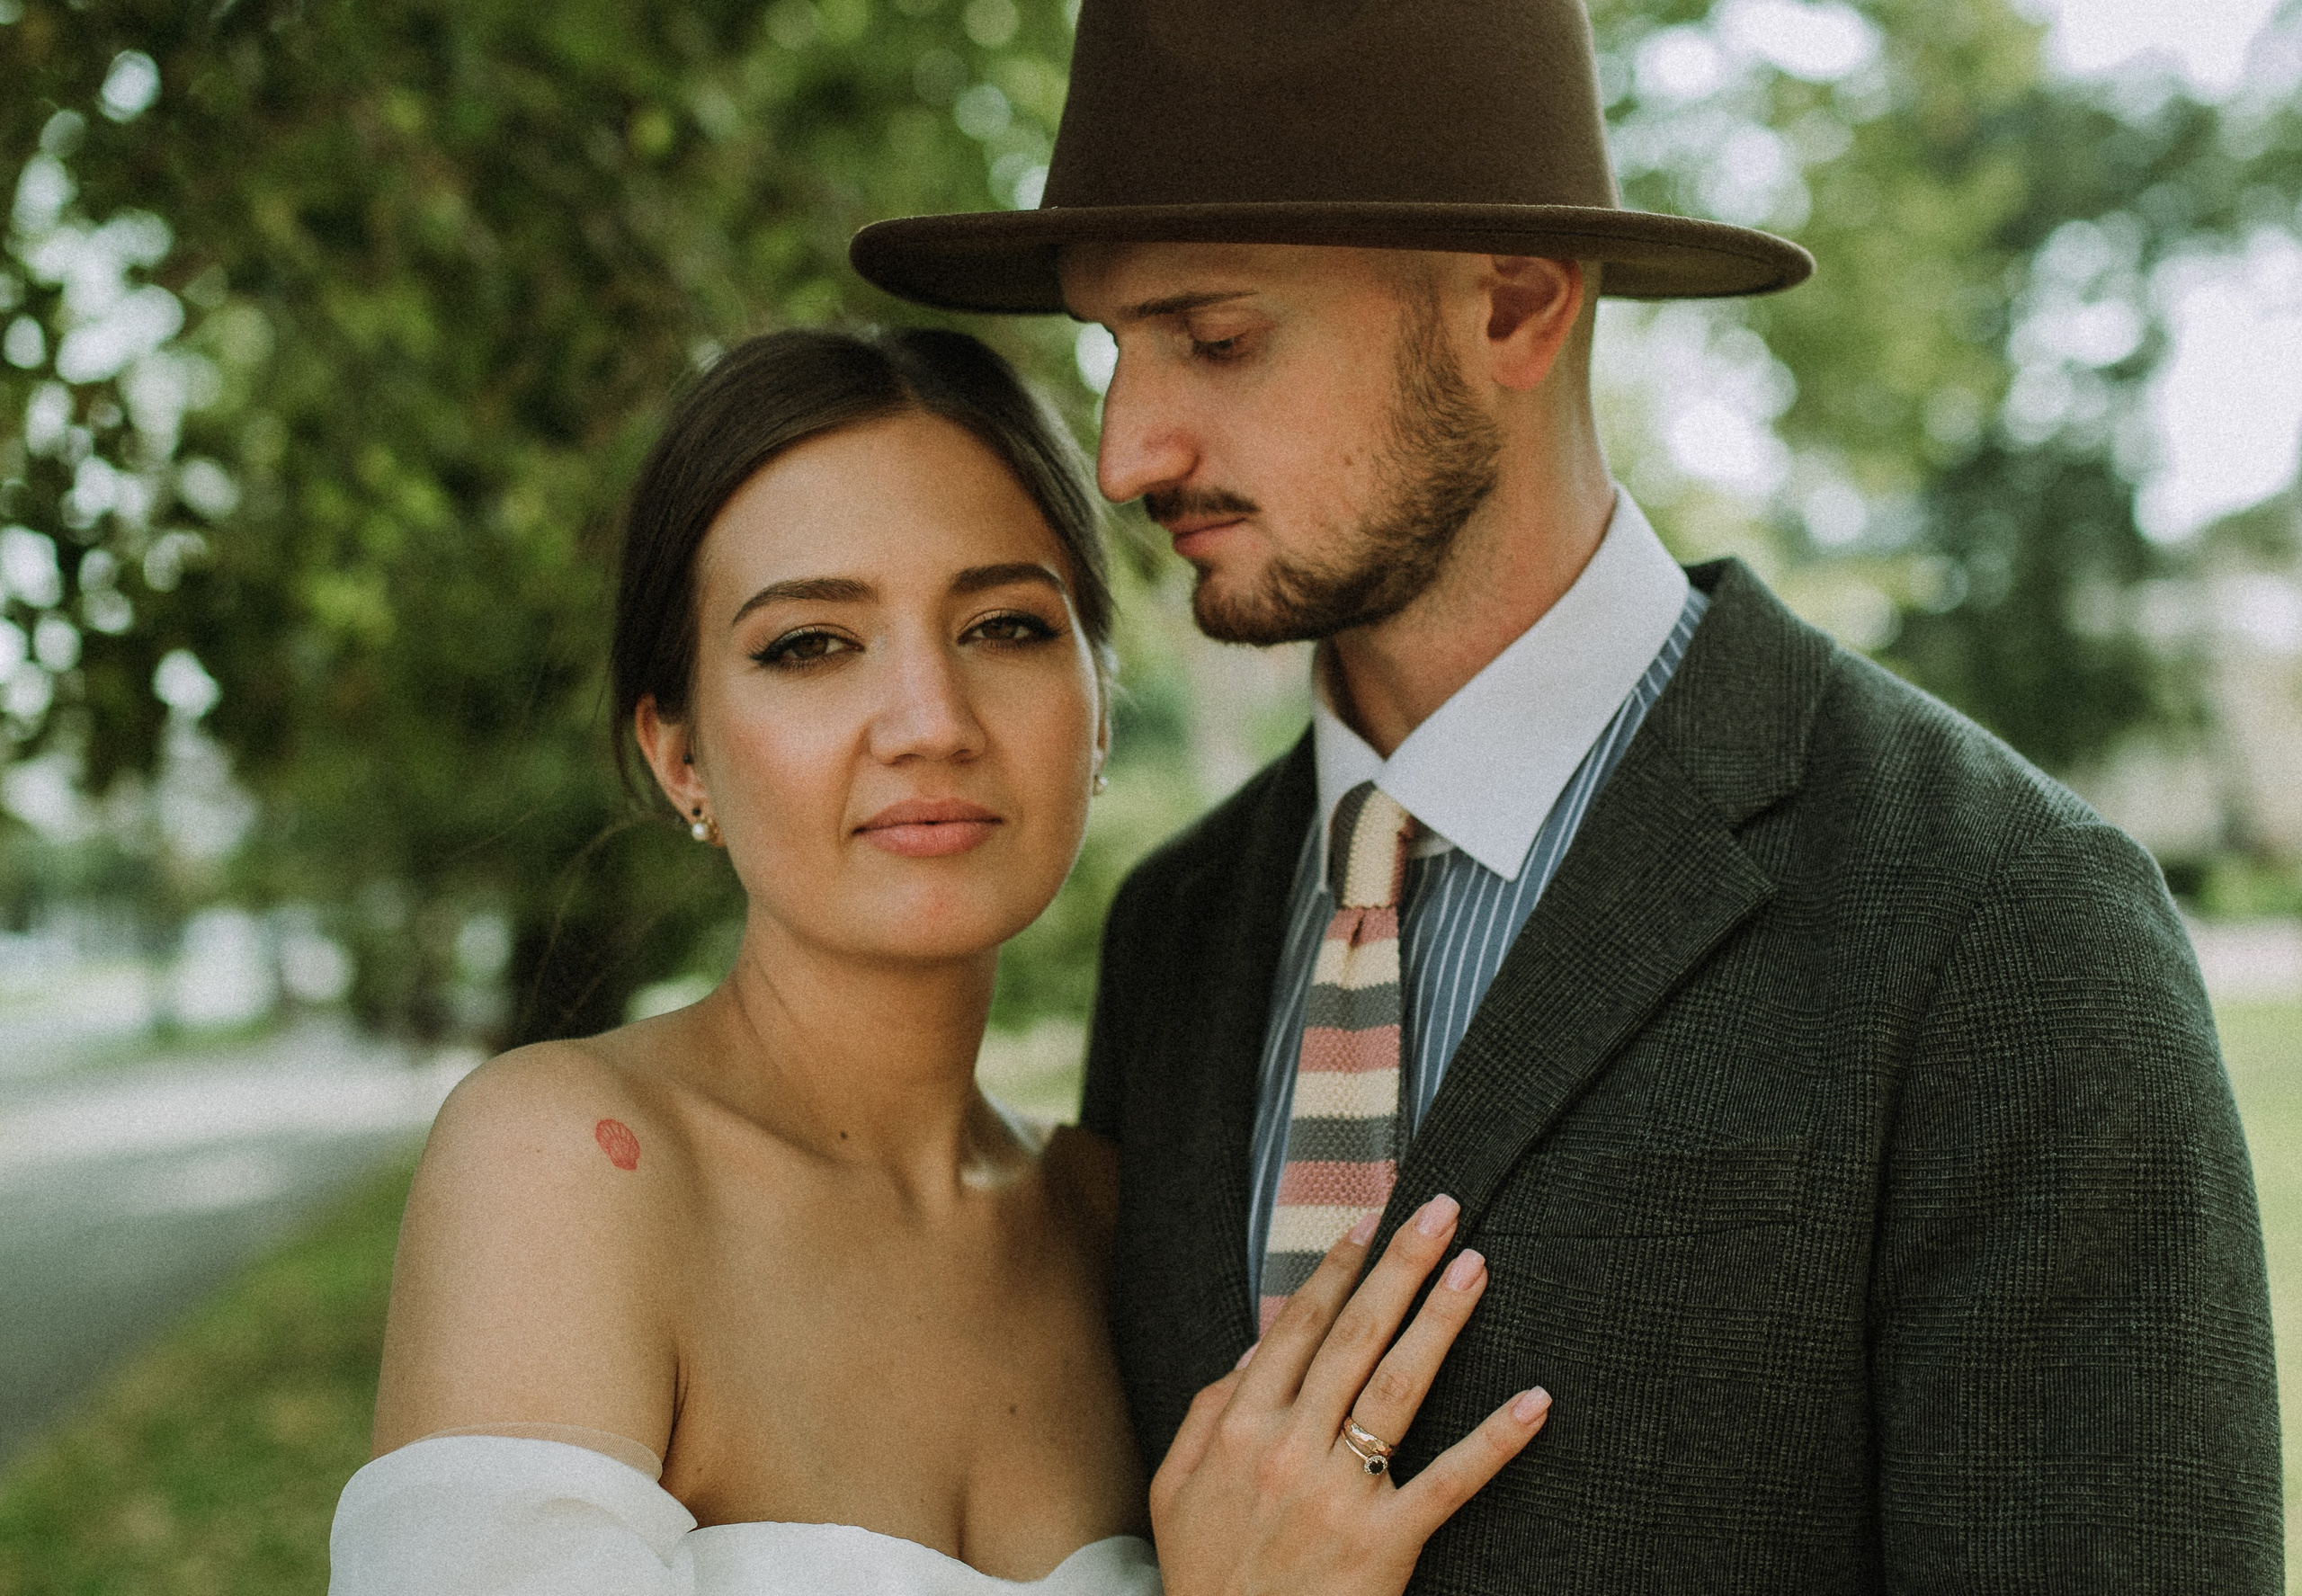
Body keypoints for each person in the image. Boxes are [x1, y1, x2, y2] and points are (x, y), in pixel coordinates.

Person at [848, 0, 2286, 1587]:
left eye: (1218, 337)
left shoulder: (2006, 924)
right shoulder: (1179, 928)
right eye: (1115, 347)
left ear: (1517, 308)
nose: (1126, 453)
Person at [325, 326, 1554, 1596]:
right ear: (678, 754)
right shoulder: (569, 1165)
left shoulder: (1117, 1217)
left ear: (1097, 705)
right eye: (810, 643)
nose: (931, 724)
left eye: (1007, 627)